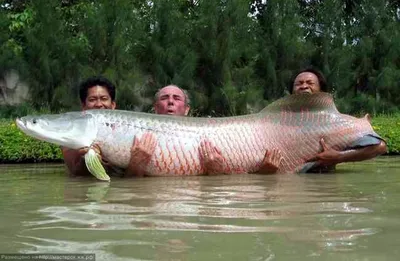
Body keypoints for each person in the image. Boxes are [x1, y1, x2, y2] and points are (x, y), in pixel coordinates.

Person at [126, 84, 282, 176]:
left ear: (186, 109)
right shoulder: (138, 136)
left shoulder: (213, 132)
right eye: (164, 98)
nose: (171, 101)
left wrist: (217, 175)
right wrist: (135, 167)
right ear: (155, 108)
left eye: (176, 98)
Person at [289, 67, 387, 173]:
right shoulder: (276, 124)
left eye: (309, 83)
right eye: (299, 83)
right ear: (292, 91)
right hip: (288, 185)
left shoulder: (336, 122)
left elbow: (379, 147)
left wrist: (339, 156)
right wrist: (268, 169)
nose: (304, 86)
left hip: (325, 184)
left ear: (321, 90)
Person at [61, 76, 117, 176]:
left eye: (104, 99)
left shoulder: (125, 129)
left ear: (113, 105)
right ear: (83, 106)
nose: (99, 104)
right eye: (92, 99)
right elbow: (76, 172)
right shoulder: (70, 134)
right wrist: (85, 159)